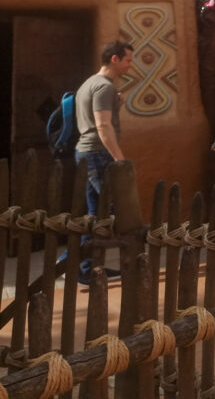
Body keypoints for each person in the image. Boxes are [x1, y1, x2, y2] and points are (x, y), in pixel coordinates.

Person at [75, 40, 133, 285]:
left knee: (94, 214)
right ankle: (72, 262)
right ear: (114, 59)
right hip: (97, 153)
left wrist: (116, 106)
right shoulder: (103, 87)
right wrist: (118, 158)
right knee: (110, 210)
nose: (131, 64)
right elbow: (101, 125)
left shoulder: (90, 83)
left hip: (87, 153)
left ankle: (86, 269)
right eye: (128, 59)